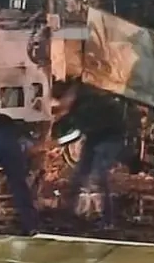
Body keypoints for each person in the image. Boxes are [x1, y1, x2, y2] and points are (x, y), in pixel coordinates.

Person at [53, 81, 126, 227]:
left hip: (110, 137)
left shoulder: (84, 106)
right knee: (81, 173)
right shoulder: (82, 99)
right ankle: (74, 213)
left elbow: (75, 133)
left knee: (97, 176)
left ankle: (106, 219)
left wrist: (55, 143)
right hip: (96, 136)